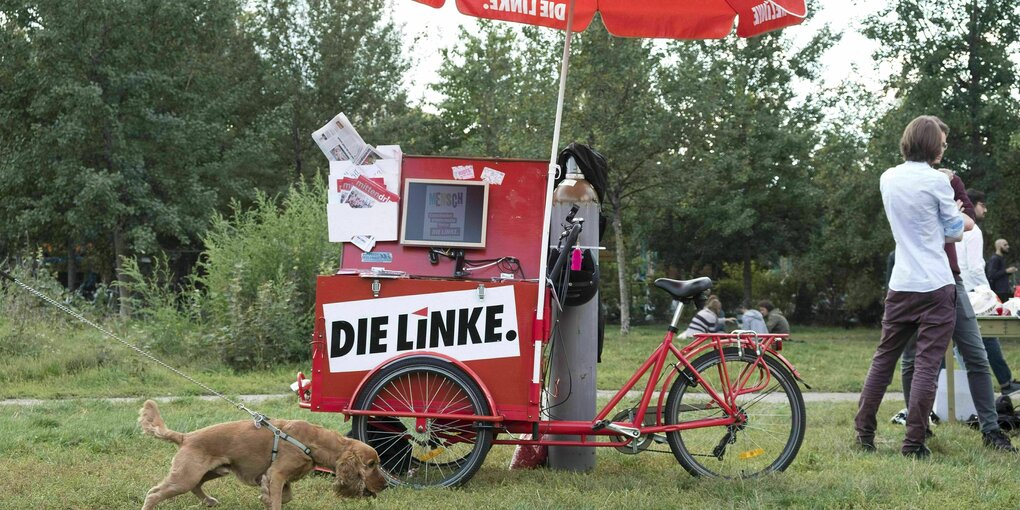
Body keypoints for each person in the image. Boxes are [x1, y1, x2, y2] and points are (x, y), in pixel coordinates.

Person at [854, 115, 964, 459]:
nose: (943, 150)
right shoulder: (937, 182)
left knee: (883, 360)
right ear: (932, 145)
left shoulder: (887, 178)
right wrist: (955, 211)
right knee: (928, 366)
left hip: (901, 283)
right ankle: (914, 443)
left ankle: (864, 434)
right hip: (935, 284)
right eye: (942, 145)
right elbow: (957, 231)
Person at [899, 180, 1016, 451]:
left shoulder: (950, 188)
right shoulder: (907, 188)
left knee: (976, 354)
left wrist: (953, 200)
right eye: (939, 143)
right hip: (917, 280)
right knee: (914, 359)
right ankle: (919, 425)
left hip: (954, 282)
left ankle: (990, 429)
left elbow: (966, 226)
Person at [956, 190, 1020, 395]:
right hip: (974, 292)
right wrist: (989, 295)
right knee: (988, 336)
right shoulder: (973, 230)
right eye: (982, 204)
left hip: (956, 289)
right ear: (972, 205)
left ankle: (971, 387)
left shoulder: (952, 227)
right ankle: (1004, 384)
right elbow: (975, 267)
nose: (986, 209)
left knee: (958, 344)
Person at [987, 239, 1016, 303]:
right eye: (1005, 245)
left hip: (1005, 291)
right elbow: (991, 275)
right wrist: (1006, 271)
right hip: (999, 292)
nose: (1008, 246)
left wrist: (1009, 272)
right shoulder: (995, 259)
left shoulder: (1001, 258)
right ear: (998, 246)